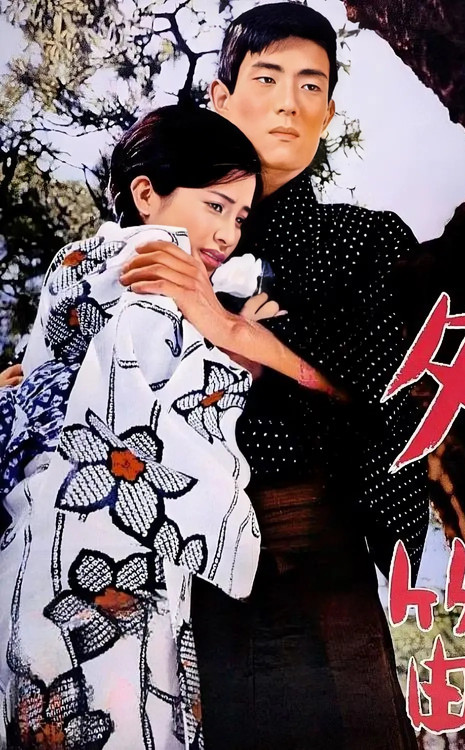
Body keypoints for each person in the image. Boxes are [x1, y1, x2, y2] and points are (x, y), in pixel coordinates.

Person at [120, 5, 430, 750]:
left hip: (310, 541)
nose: (290, 102)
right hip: (161, 562)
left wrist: (234, 331)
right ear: (222, 97)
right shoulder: (160, 231)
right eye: (267, 78)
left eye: (311, 85)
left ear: (329, 113)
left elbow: (397, 388)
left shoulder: (368, 238)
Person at [0, 104, 336, 750]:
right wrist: (238, 347)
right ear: (146, 195)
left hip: (30, 542)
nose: (228, 234)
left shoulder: (72, 266)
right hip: (108, 554)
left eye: (240, 218)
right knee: (122, 713)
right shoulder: (164, 270)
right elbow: (171, 418)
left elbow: (40, 380)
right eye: (216, 206)